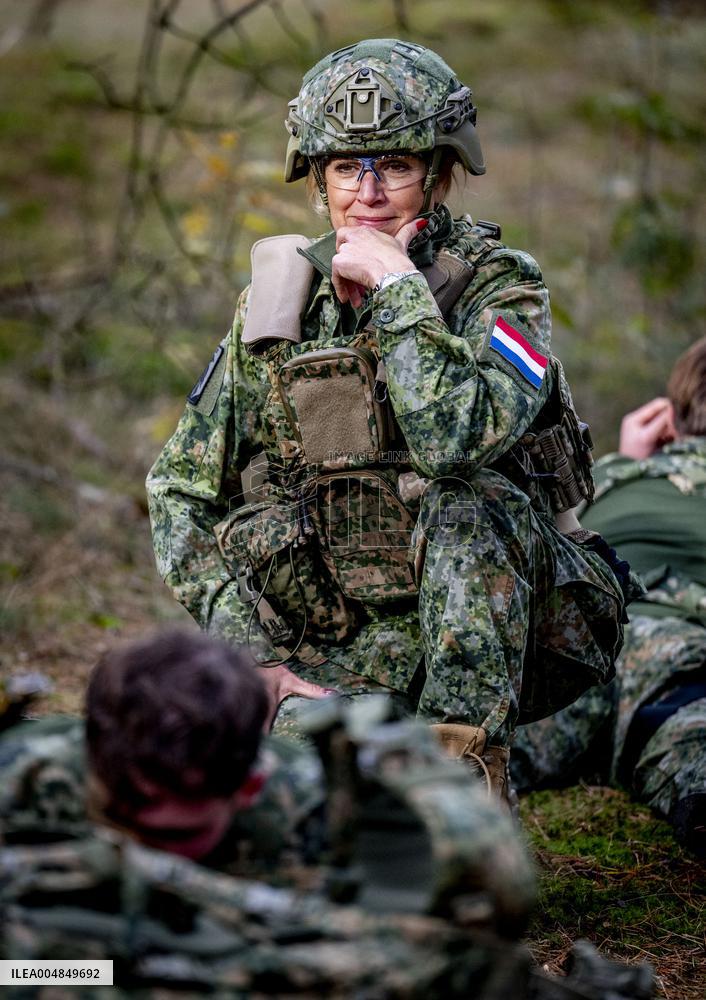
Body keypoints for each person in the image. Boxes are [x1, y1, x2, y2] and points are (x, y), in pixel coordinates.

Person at [146, 38, 636, 799]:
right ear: (319, 179)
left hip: (515, 632)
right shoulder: (279, 310)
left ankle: (465, 790)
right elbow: (177, 491)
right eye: (347, 167)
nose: (369, 193)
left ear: (439, 175)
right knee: (269, 794)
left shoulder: (504, 292)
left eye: (396, 167)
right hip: (345, 650)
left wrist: (397, 287)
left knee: (470, 498)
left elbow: (455, 440)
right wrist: (256, 658)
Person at [0, 630, 654, 998]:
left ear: (248, 787)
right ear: (96, 757)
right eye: (124, 817)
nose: (147, 848)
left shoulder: (346, 815)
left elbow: (482, 933)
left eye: (176, 835)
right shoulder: (28, 778)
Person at [512, 338, 706, 857]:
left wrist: (624, 458)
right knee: (689, 738)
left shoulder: (610, 480)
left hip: (575, 652)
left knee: (491, 747)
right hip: (674, 661)